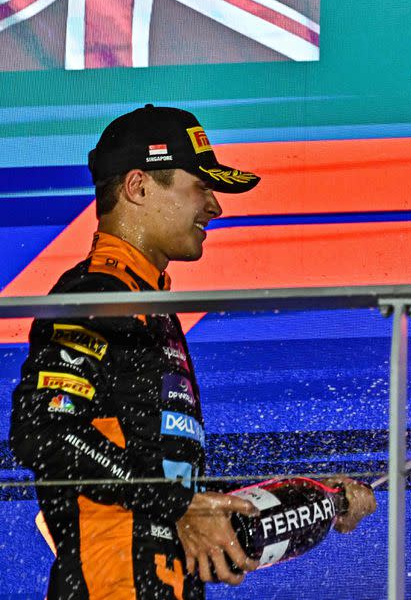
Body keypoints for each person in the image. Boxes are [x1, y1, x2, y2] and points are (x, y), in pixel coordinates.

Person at [10, 105, 376, 599]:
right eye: (200, 187)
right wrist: (180, 503)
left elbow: (164, 481)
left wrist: (322, 501)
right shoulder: (96, 293)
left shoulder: (151, 307)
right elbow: (45, 430)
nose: (215, 207)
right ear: (138, 187)